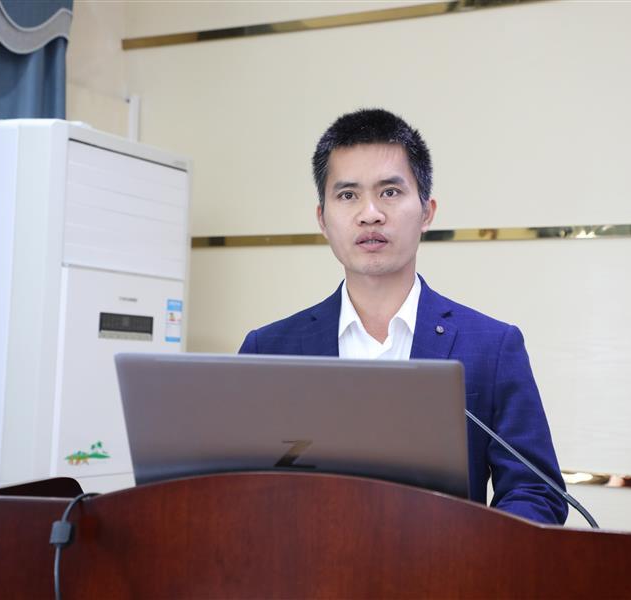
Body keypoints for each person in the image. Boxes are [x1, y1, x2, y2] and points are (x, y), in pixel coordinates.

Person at [239, 108, 568, 524]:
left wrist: (477, 553)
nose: (370, 213)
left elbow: (536, 491)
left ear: (427, 211)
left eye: (390, 192)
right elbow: (237, 489)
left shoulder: (492, 347)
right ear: (322, 218)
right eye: (347, 195)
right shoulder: (268, 350)